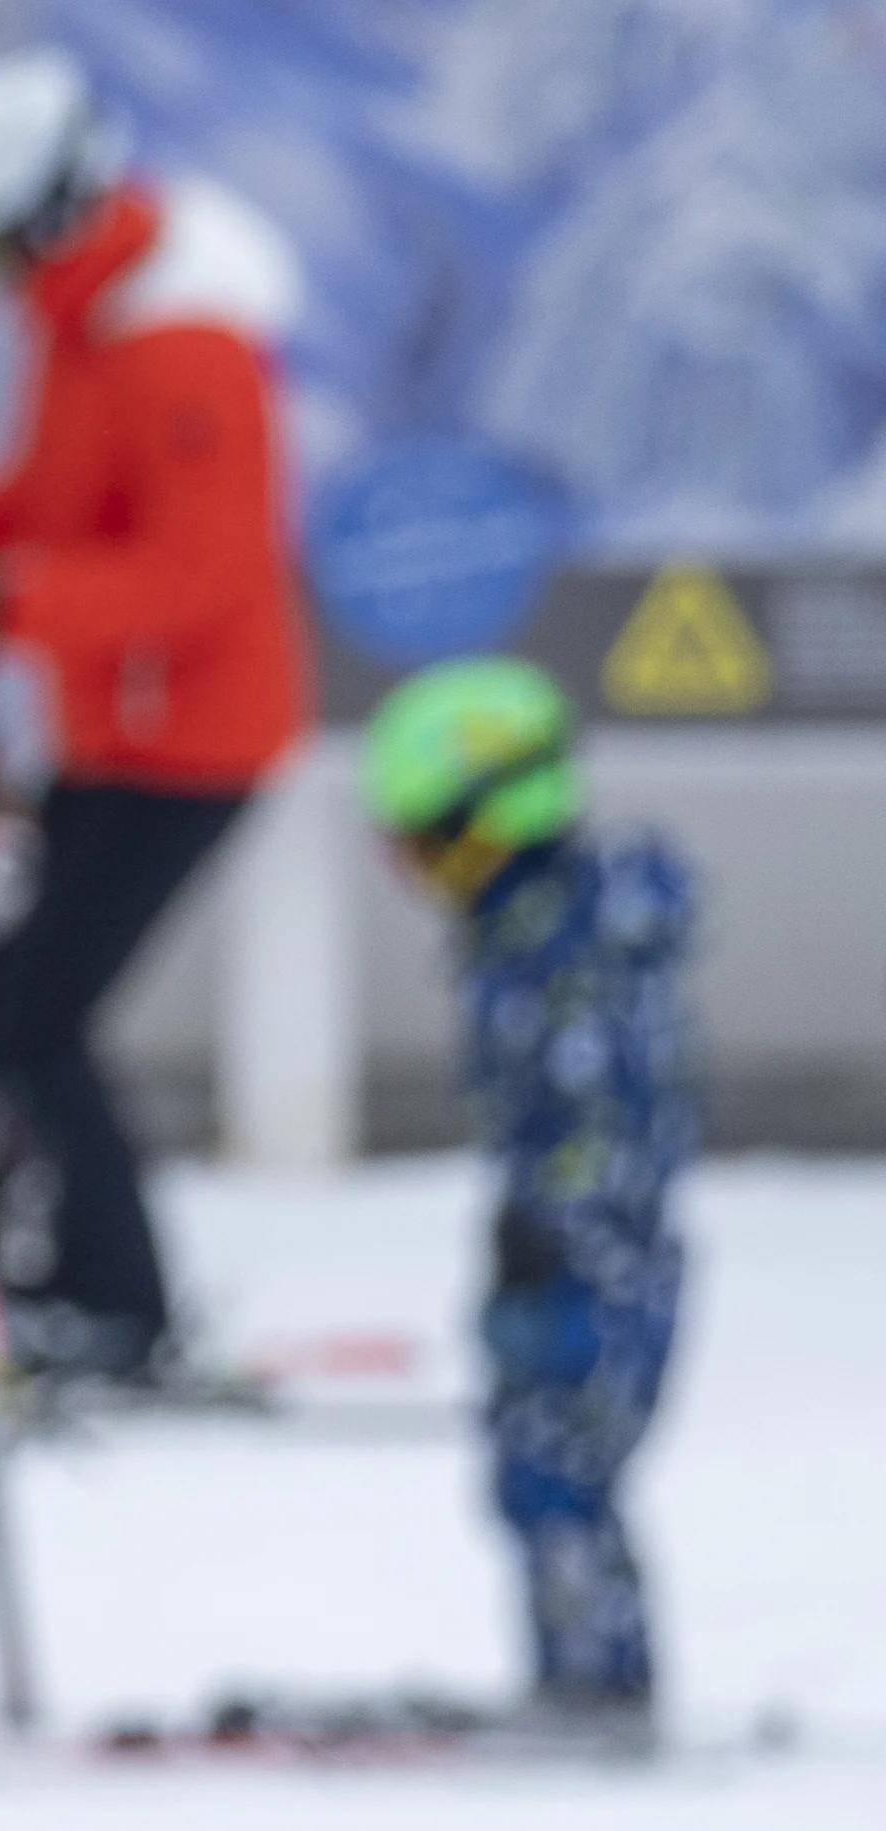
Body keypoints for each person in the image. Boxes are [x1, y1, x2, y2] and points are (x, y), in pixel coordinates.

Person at [0, 48, 310, 1379]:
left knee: (38, 1014)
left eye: (0, 245)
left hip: (190, 748)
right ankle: (56, 1275)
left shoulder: (179, 341)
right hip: (114, 735)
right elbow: (47, 500)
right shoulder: (85, 324)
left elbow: (202, 574)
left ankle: (117, 1299)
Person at [362, 658, 693, 1749]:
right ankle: (575, 1669)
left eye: (420, 841)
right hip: (548, 1238)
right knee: (530, 1458)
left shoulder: (573, 944)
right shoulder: (531, 926)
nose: (411, 872)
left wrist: (556, 1223)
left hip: (591, 1249)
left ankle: (599, 1684)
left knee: (561, 1463)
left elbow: (607, 1105)